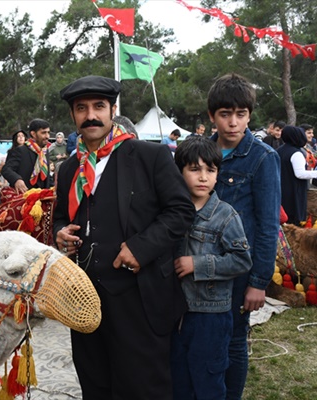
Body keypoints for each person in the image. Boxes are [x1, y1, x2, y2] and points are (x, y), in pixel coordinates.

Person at [53, 75, 195, 399]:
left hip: (139, 298)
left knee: (142, 388)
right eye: (81, 108)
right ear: (73, 115)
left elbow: (181, 211)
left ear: (112, 110)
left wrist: (140, 247)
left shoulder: (149, 156)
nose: (91, 115)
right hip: (84, 297)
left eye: (99, 107)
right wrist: (59, 232)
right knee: (95, 385)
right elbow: (61, 216)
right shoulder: (68, 169)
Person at [207, 73, 280, 399]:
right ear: (212, 116)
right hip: (199, 263)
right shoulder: (200, 152)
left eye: (240, 114)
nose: (233, 122)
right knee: (202, 336)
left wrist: (259, 281)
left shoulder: (263, 157)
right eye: (225, 114)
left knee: (235, 339)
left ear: (250, 115)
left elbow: (267, 225)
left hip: (238, 270)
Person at [171, 136, 252, 400]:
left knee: (209, 382)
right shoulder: (171, 211)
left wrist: (198, 264)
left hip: (211, 316)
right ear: (180, 171)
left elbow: (241, 260)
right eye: (195, 169)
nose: (203, 177)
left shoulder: (226, 215)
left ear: (218, 174)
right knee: (179, 381)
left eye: (211, 170)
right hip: (176, 313)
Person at [277, 125, 317, 226]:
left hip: (281, 189)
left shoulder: (279, 150)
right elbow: (300, 174)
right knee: (293, 222)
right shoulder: (296, 153)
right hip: (293, 192)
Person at [2, 118, 52, 194]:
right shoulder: (20, 150)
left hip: (42, 198)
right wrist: (17, 180)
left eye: (48, 132)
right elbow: (6, 169)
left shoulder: (45, 151)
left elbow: (46, 176)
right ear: (33, 134)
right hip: (24, 198)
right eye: (43, 133)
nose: (47, 136)